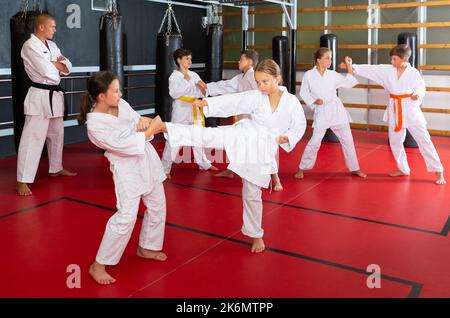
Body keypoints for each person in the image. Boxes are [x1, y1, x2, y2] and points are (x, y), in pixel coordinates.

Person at [77, 71, 167, 285]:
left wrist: (147, 123)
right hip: (127, 170)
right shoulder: (95, 127)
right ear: (101, 96)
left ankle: (148, 247)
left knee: (158, 206)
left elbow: (137, 121)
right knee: (126, 216)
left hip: (147, 161)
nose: (120, 93)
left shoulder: (121, 104)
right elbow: (125, 145)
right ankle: (98, 265)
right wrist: (149, 129)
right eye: (115, 90)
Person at [340, 44, 445, 185]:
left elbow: (421, 88)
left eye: (394, 59)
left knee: (424, 140)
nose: (392, 61)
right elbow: (372, 69)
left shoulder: (413, 73)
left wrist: (417, 95)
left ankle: (439, 171)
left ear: (404, 59)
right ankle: (403, 169)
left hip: (411, 110)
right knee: (395, 142)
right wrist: (353, 67)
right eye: (392, 59)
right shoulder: (388, 70)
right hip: (395, 110)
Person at [16, 13, 76, 196]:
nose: (55, 30)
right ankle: (22, 180)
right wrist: (57, 65)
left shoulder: (52, 45)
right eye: (53, 26)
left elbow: (68, 67)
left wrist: (59, 64)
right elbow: (45, 70)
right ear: (41, 27)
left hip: (54, 95)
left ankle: (55, 168)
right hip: (39, 95)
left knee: (57, 134)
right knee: (32, 138)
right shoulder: (30, 46)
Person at [295, 47, 367, 179]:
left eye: (331, 58)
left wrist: (349, 66)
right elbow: (304, 92)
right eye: (327, 58)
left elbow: (349, 82)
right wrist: (313, 101)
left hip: (336, 110)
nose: (330, 61)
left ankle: (355, 168)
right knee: (315, 141)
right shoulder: (309, 75)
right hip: (322, 111)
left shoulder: (333, 74)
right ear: (318, 60)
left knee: (347, 140)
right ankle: (302, 168)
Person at [160, 48, 218, 178]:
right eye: (186, 58)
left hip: (194, 107)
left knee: (198, 136)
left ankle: (204, 163)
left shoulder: (194, 75)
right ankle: (164, 169)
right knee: (174, 137)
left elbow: (201, 92)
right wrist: (187, 81)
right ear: (179, 60)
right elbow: (174, 93)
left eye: (190, 58)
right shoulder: (174, 76)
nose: (189, 61)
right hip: (181, 109)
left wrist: (203, 88)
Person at [203, 49, 259, 179]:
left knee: (255, 146)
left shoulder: (253, 75)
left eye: (242, 59)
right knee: (235, 142)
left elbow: (259, 94)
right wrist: (207, 87)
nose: (238, 61)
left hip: (253, 118)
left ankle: (272, 177)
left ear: (250, 62)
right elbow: (225, 86)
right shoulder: (241, 77)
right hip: (242, 117)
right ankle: (231, 170)